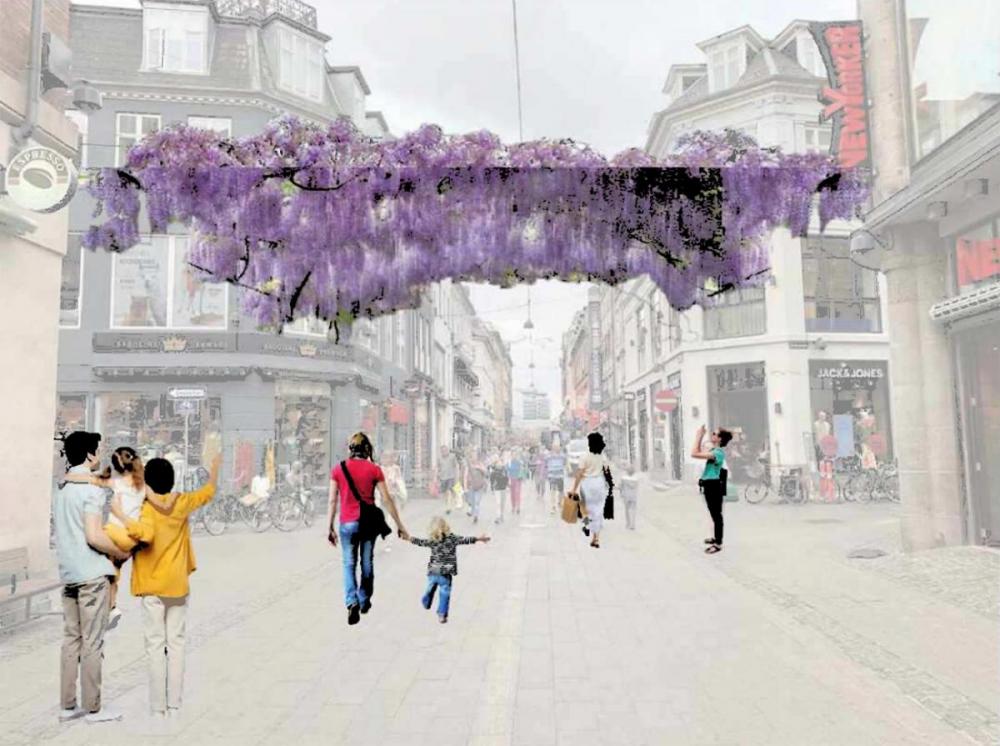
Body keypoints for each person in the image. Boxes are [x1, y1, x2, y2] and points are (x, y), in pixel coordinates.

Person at [108, 452, 222, 719]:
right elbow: (207, 492)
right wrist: (215, 469)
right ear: (172, 480)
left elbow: (144, 533)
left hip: (152, 586)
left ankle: (158, 708)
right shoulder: (181, 503)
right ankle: (174, 705)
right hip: (178, 585)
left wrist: (121, 516)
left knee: (155, 647)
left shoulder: (145, 508)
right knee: (178, 644)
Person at [52, 431, 129, 724]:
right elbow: (95, 536)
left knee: (71, 639)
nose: (99, 455)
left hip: (69, 574)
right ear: (88, 455)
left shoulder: (61, 489)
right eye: (96, 450)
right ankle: (94, 708)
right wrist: (119, 551)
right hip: (91, 575)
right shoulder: (92, 491)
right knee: (92, 642)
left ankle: (67, 706)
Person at [64, 446, 174, 631]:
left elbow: (89, 480)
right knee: (113, 572)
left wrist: (69, 477)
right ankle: (111, 609)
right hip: (130, 538)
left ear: (117, 467)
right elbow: (162, 503)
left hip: (114, 532)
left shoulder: (117, 483)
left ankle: (93, 606)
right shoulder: (144, 486)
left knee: (90, 544)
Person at [328, 433, 408, 625]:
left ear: (350, 449)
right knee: (366, 562)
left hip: (347, 523)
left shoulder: (338, 469)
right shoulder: (375, 470)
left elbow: (332, 500)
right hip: (367, 523)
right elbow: (387, 499)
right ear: (367, 450)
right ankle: (364, 600)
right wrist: (400, 525)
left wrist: (329, 526)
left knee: (348, 563)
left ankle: (351, 602)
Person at [407, 516, 490, 623]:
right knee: (444, 594)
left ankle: (426, 598)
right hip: (446, 573)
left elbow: (420, 542)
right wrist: (479, 539)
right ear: (446, 527)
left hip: (433, 571)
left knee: (430, 587)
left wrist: (409, 538)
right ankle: (442, 615)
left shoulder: (432, 540)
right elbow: (465, 540)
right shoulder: (452, 538)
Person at [691, 424, 733, 555]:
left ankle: (718, 544)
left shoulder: (718, 453)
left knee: (717, 515)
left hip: (714, 485)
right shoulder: (714, 451)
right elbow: (697, 452)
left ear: (720, 439)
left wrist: (698, 435)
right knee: (713, 513)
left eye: (715, 434)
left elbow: (694, 453)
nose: (712, 435)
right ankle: (715, 537)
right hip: (709, 484)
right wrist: (700, 436)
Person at [568, 432, 613, 549]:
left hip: (587, 483)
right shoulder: (601, 455)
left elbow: (580, 473)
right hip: (599, 482)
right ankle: (596, 536)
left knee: (588, 506)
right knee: (598, 507)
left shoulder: (584, 456)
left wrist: (574, 488)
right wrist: (609, 482)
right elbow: (607, 470)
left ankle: (589, 523)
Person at [464, 451, 488, 524]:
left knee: (477, 501)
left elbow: (486, 473)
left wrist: (479, 468)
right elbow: (465, 475)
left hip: (479, 486)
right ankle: (472, 512)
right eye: (472, 456)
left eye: (475, 456)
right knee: (472, 501)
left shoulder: (480, 464)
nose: (473, 458)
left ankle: (475, 516)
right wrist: (465, 486)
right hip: (471, 486)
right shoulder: (468, 466)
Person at [545, 444, 568, 515]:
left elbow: (565, 462)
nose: (556, 449)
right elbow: (546, 463)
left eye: (558, 448)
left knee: (561, 491)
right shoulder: (549, 456)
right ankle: (553, 506)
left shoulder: (562, 456)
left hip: (560, 476)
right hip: (552, 476)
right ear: (552, 449)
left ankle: (559, 502)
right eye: (555, 448)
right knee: (553, 491)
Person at [488, 451, 509, 524]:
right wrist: (492, 489)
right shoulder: (493, 472)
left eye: (500, 463)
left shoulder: (504, 471)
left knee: (502, 503)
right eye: (498, 463)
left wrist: (507, 486)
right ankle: (498, 516)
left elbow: (507, 479)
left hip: (503, 489)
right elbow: (491, 481)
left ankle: (501, 515)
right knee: (498, 503)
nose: (499, 464)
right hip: (497, 488)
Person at [438, 446, 458, 514]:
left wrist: (456, 475)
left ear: (448, 450)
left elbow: (456, 466)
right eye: (442, 451)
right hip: (443, 478)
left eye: (445, 450)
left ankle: (448, 507)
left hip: (451, 477)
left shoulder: (452, 457)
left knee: (448, 491)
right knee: (445, 493)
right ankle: (447, 504)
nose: (444, 452)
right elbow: (438, 467)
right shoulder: (440, 458)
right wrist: (437, 475)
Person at [506, 448, 527, 516]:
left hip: (518, 479)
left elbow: (523, 470)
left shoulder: (519, 462)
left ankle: (518, 506)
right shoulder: (509, 462)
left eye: (515, 455)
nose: (514, 456)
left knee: (517, 492)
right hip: (511, 479)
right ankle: (513, 506)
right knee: (512, 494)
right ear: (511, 455)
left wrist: (523, 478)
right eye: (513, 455)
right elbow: (506, 470)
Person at [620, 462, 639, 530]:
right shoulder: (636, 479)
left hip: (626, 496)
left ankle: (628, 523)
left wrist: (621, 494)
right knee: (633, 510)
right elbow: (636, 487)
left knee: (627, 510)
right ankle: (633, 524)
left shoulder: (623, 478)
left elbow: (621, 487)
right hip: (633, 496)